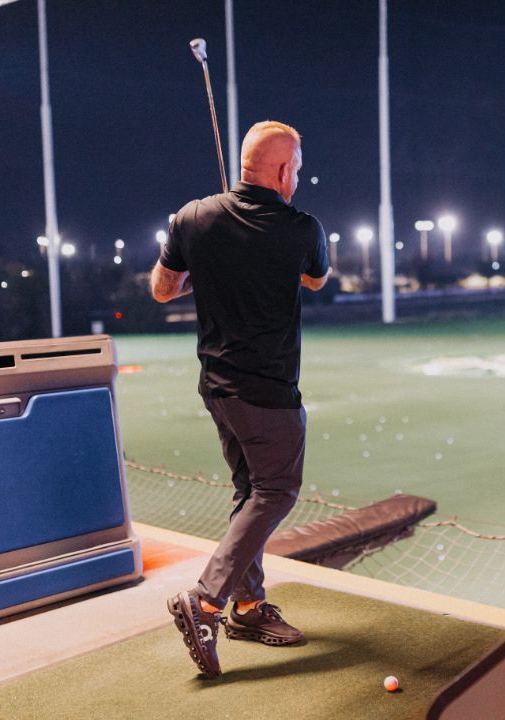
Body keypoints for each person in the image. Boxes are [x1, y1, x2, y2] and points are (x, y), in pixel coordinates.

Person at [152, 120, 329, 678]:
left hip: (218, 386)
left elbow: (163, 288)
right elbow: (316, 280)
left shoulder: (193, 217)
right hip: (269, 390)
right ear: (281, 171)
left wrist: (213, 258)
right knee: (278, 490)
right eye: (296, 169)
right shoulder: (302, 227)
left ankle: (249, 608)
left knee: (249, 490)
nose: (297, 178)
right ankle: (206, 601)